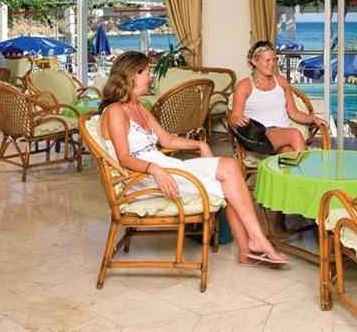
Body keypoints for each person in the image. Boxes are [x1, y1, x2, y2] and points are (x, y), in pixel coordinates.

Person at [99, 51, 288, 265]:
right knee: (229, 181)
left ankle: (252, 244)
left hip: (162, 166)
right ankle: (253, 244)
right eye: (147, 72)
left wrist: (200, 144)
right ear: (132, 75)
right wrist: (155, 169)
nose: (151, 77)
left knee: (230, 166)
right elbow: (124, 157)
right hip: (141, 177)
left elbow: (167, 140)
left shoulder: (139, 107)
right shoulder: (115, 111)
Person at [229, 40, 326, 153]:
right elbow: (234, 117)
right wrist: (236, 119)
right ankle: (308, 165)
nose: (272, 64)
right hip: (259, 136)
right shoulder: (244, 86)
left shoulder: (281, 82)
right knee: (294, 134)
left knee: (288, 152)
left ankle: (298, 164)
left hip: (281, 135)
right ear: (254, 61)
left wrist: (313, 118)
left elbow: (294, 113)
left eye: (274, 60)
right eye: (267, 60)